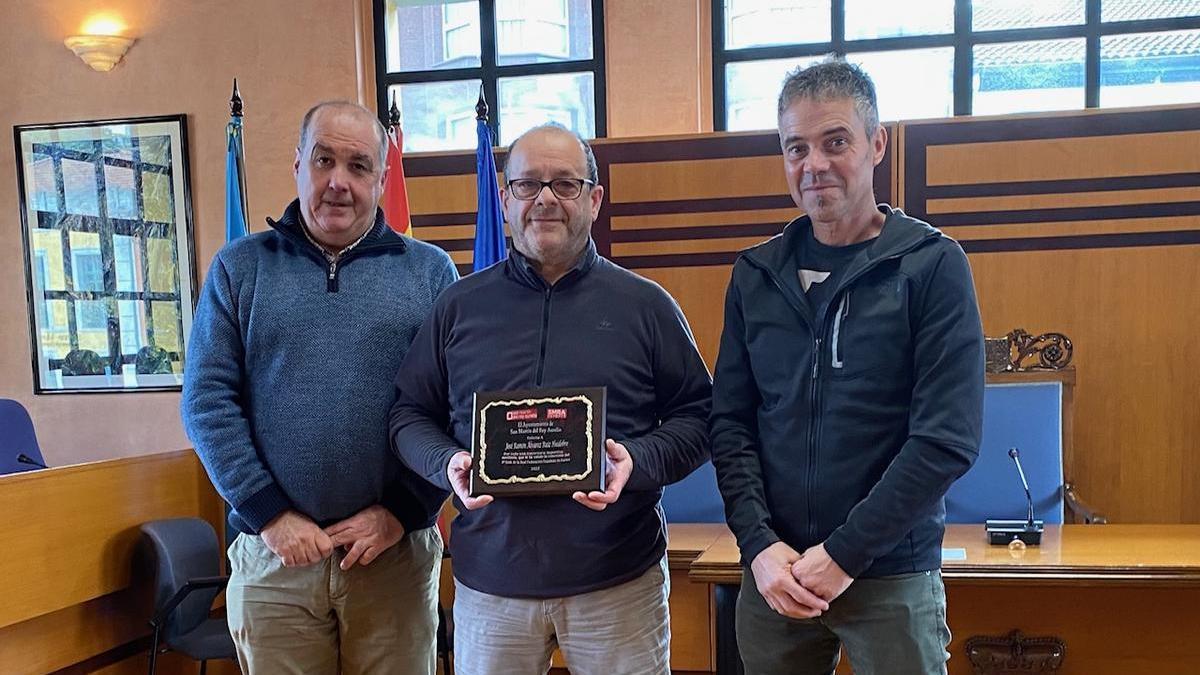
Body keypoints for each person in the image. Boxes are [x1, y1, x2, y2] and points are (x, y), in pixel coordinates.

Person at [389, 123, 712, 675]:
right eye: (527, 185)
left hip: (618, 584)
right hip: (490, 588)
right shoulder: (457, 308)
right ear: (503, 198)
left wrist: (637, 463)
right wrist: (447, 465)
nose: (544, 199)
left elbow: (701, 418)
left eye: (564, 184)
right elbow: (408, 415)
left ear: (594, 199)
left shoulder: (646, 306)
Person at [709, 58, 985, 675]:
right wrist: (758, 547)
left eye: (836, 141)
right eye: (796, 148)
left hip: (889, 572)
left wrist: (842, 556)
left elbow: (946, 439)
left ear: (877, 144)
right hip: (775, 575)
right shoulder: (755, 275)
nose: (814, 165)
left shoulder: (932, 266)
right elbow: (730, 425)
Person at [182, 101, 457, 675]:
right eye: (324, 160)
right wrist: (270, 515)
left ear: (382, 180)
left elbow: (455, 407)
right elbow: (208, 403)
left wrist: (403, 511)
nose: (338, 181)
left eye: (358, 166)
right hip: (272, 555)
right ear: (297, 166)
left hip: (392, 554)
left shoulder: (429, 273)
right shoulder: (240, 268)